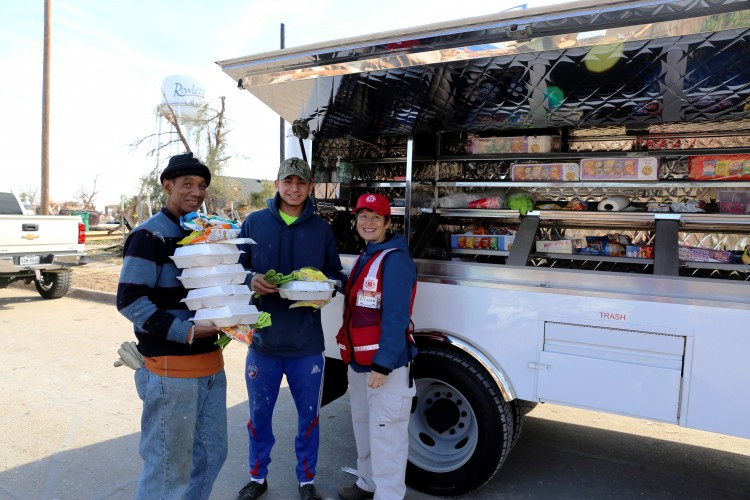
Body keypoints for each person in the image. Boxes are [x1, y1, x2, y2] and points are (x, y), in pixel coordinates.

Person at [117, 152, 227, 500]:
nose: (196, 191)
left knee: (211, 456)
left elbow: (215, 283)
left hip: (210, 366)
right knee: (169, 469)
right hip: (171, 371)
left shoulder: (203, 233)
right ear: (168, 185)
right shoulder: (150, 235)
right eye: (187, 184)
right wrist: (188, 332)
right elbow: (130, 301)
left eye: (202, 186)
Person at [236, 157, 343, 500]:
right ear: (277, 184)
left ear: (310, 186)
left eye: (301, 182)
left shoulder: (321, 229)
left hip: (307, 344)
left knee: (309, 418)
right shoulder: (254, 223)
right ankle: (257, 476)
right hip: (264, 342)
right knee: (259, 415)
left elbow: (336, 275)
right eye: (288, 181)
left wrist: (325, 290)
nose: (294, 188)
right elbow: (233, 270)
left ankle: (306, 481)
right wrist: (250, 279)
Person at [336, 193, 418, 500]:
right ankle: (367, 484)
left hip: (385, 368)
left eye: (375, 217)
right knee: (364, 427)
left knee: (387, 437)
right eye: (362, 216)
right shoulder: (368, 255)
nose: (367, 222)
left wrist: (383, 365)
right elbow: (360, 295)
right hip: (360, 365)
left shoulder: (395, 259)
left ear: (387, 222)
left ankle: (388, 495)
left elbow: (397, 316)